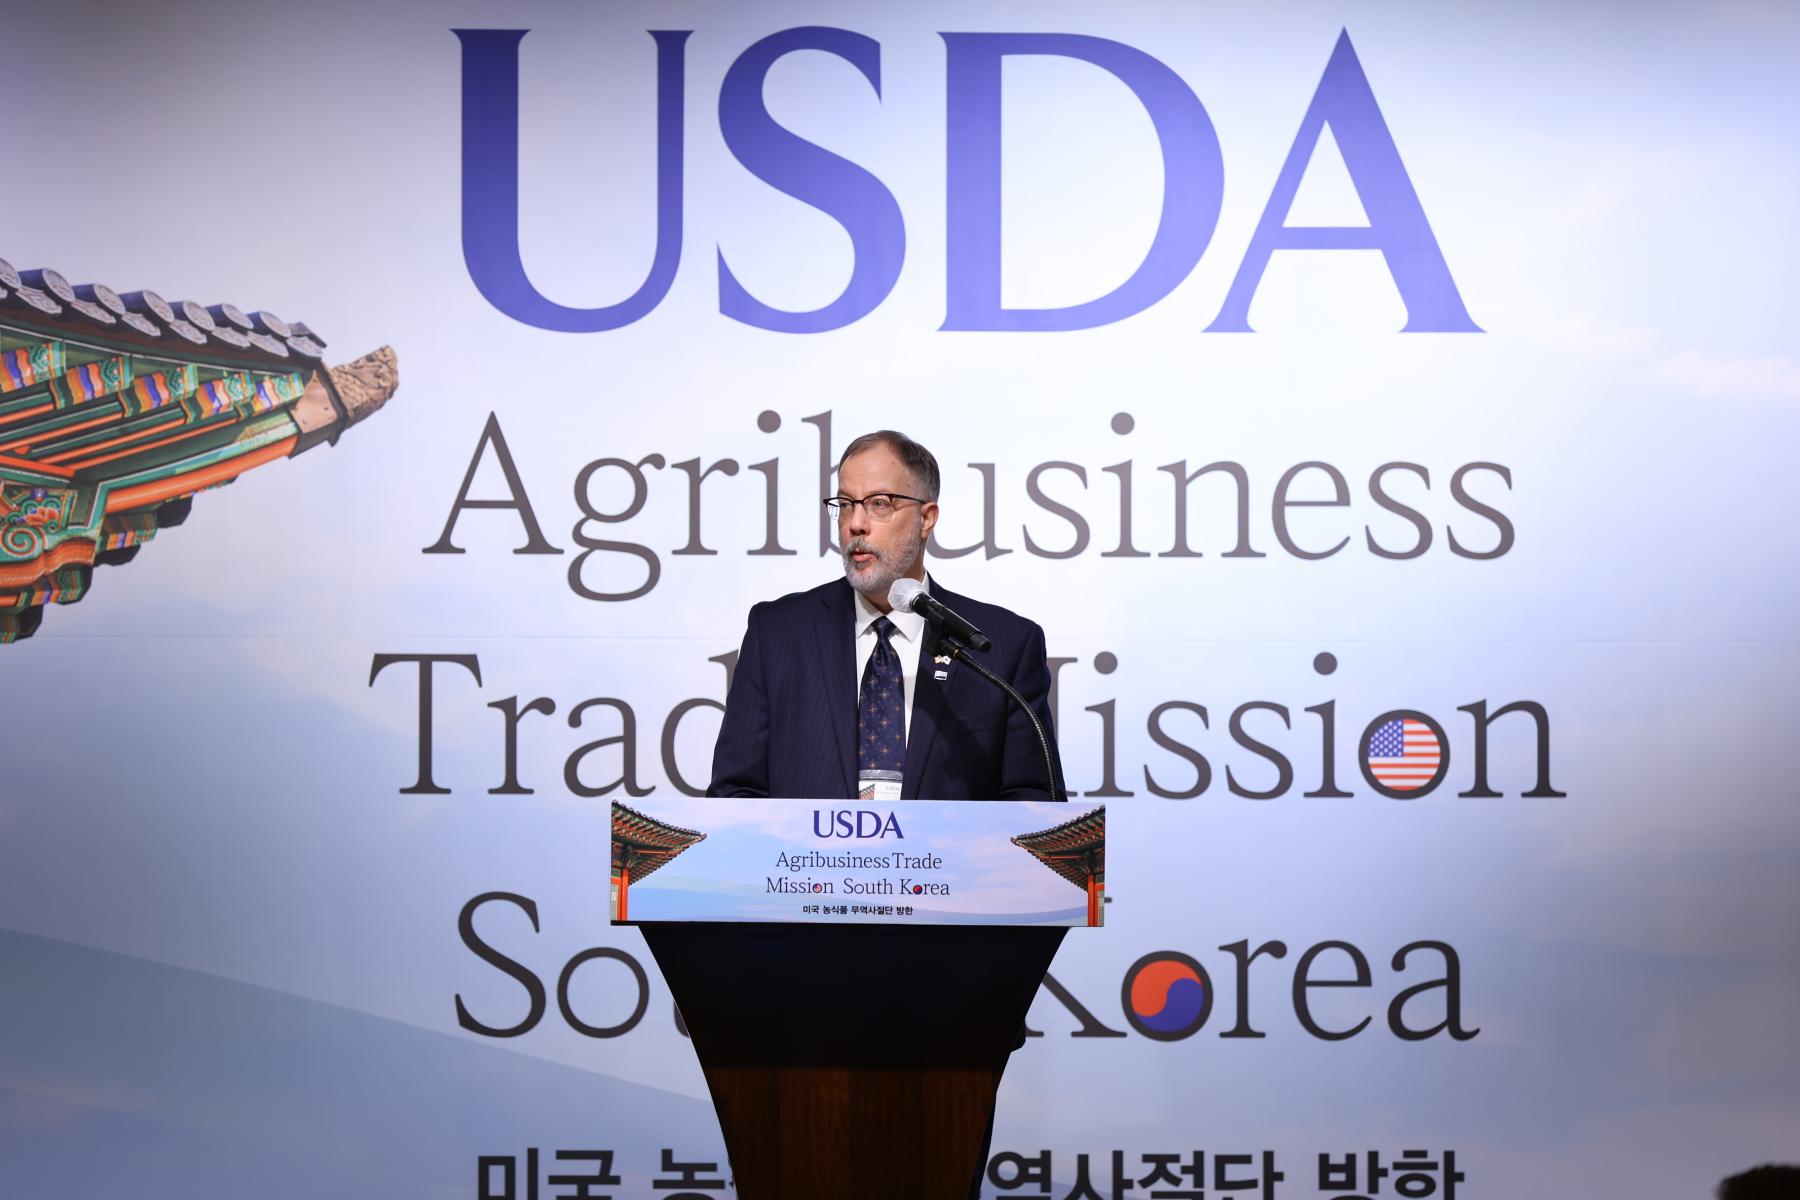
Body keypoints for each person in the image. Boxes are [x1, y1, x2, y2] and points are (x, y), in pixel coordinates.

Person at [708, 428, 1065, 803]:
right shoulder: (778, 634)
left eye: (879, 503)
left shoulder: (1003, 646)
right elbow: (735, 795)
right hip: (808, 861)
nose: (855, 524)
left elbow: (1033, 807)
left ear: (926, 518)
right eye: (845, 504)